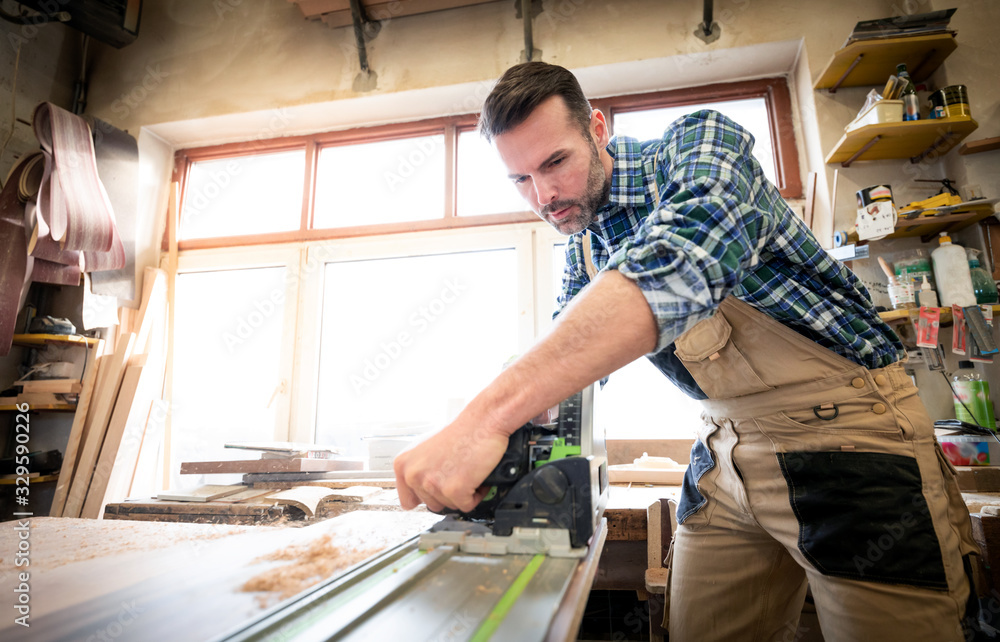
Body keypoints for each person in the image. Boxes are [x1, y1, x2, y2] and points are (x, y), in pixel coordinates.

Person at [393, 61, 981, 640]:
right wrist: (494, 466)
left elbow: (682, 265)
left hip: (852, 437)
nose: (544, 195)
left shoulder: (698, 146)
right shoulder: (586, 248)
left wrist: (485, 417)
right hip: (723, 448)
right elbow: (568, 375)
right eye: (520, 180)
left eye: (555, 163)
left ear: (597, 130)